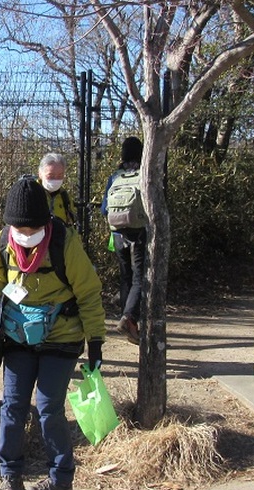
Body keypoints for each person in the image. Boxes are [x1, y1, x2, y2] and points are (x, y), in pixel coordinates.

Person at [0, 178, 105, 490]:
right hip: (18, 339)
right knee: (14, 407)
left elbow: (89, 293)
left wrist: (96, 342)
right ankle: (10, 476)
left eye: (32, 228)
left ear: (45, 223)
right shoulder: (2, 243)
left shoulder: (64, 242)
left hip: (61, 338)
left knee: (48, 408)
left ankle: (61, 478)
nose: (26, 234)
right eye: (20, 228)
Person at [100, 136, 145, 344]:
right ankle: (130, 319)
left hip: (117, 234)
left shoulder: (115, 176)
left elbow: (104, 209)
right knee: (139, 277)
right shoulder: (144, 173)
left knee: (126, 276)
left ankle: (126, 318)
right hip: (139, 233)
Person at [37, 153, 75, 227]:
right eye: (50, 175)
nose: (55, 179)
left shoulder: (65, 197)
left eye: (60, 175)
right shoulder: (30, 194)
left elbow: (71, 227)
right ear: (40, 174)